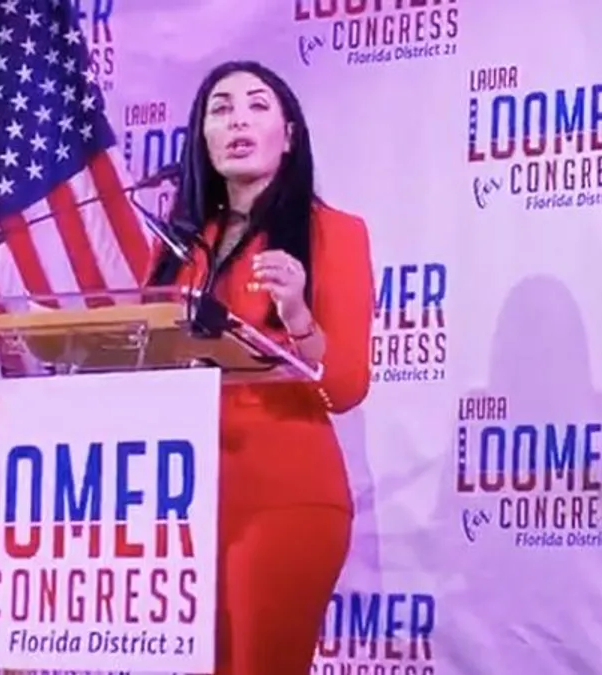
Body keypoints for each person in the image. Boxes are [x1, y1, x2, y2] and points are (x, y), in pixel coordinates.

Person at [146, 60, 374, 675]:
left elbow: (347, 385)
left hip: (283, 497)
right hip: (180, 502)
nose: (237, 120)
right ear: (202, 137)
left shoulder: (334, 233)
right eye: (220, 109)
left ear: (289, 134)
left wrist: (297, 314)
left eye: (256, 105)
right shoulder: (178, 247)